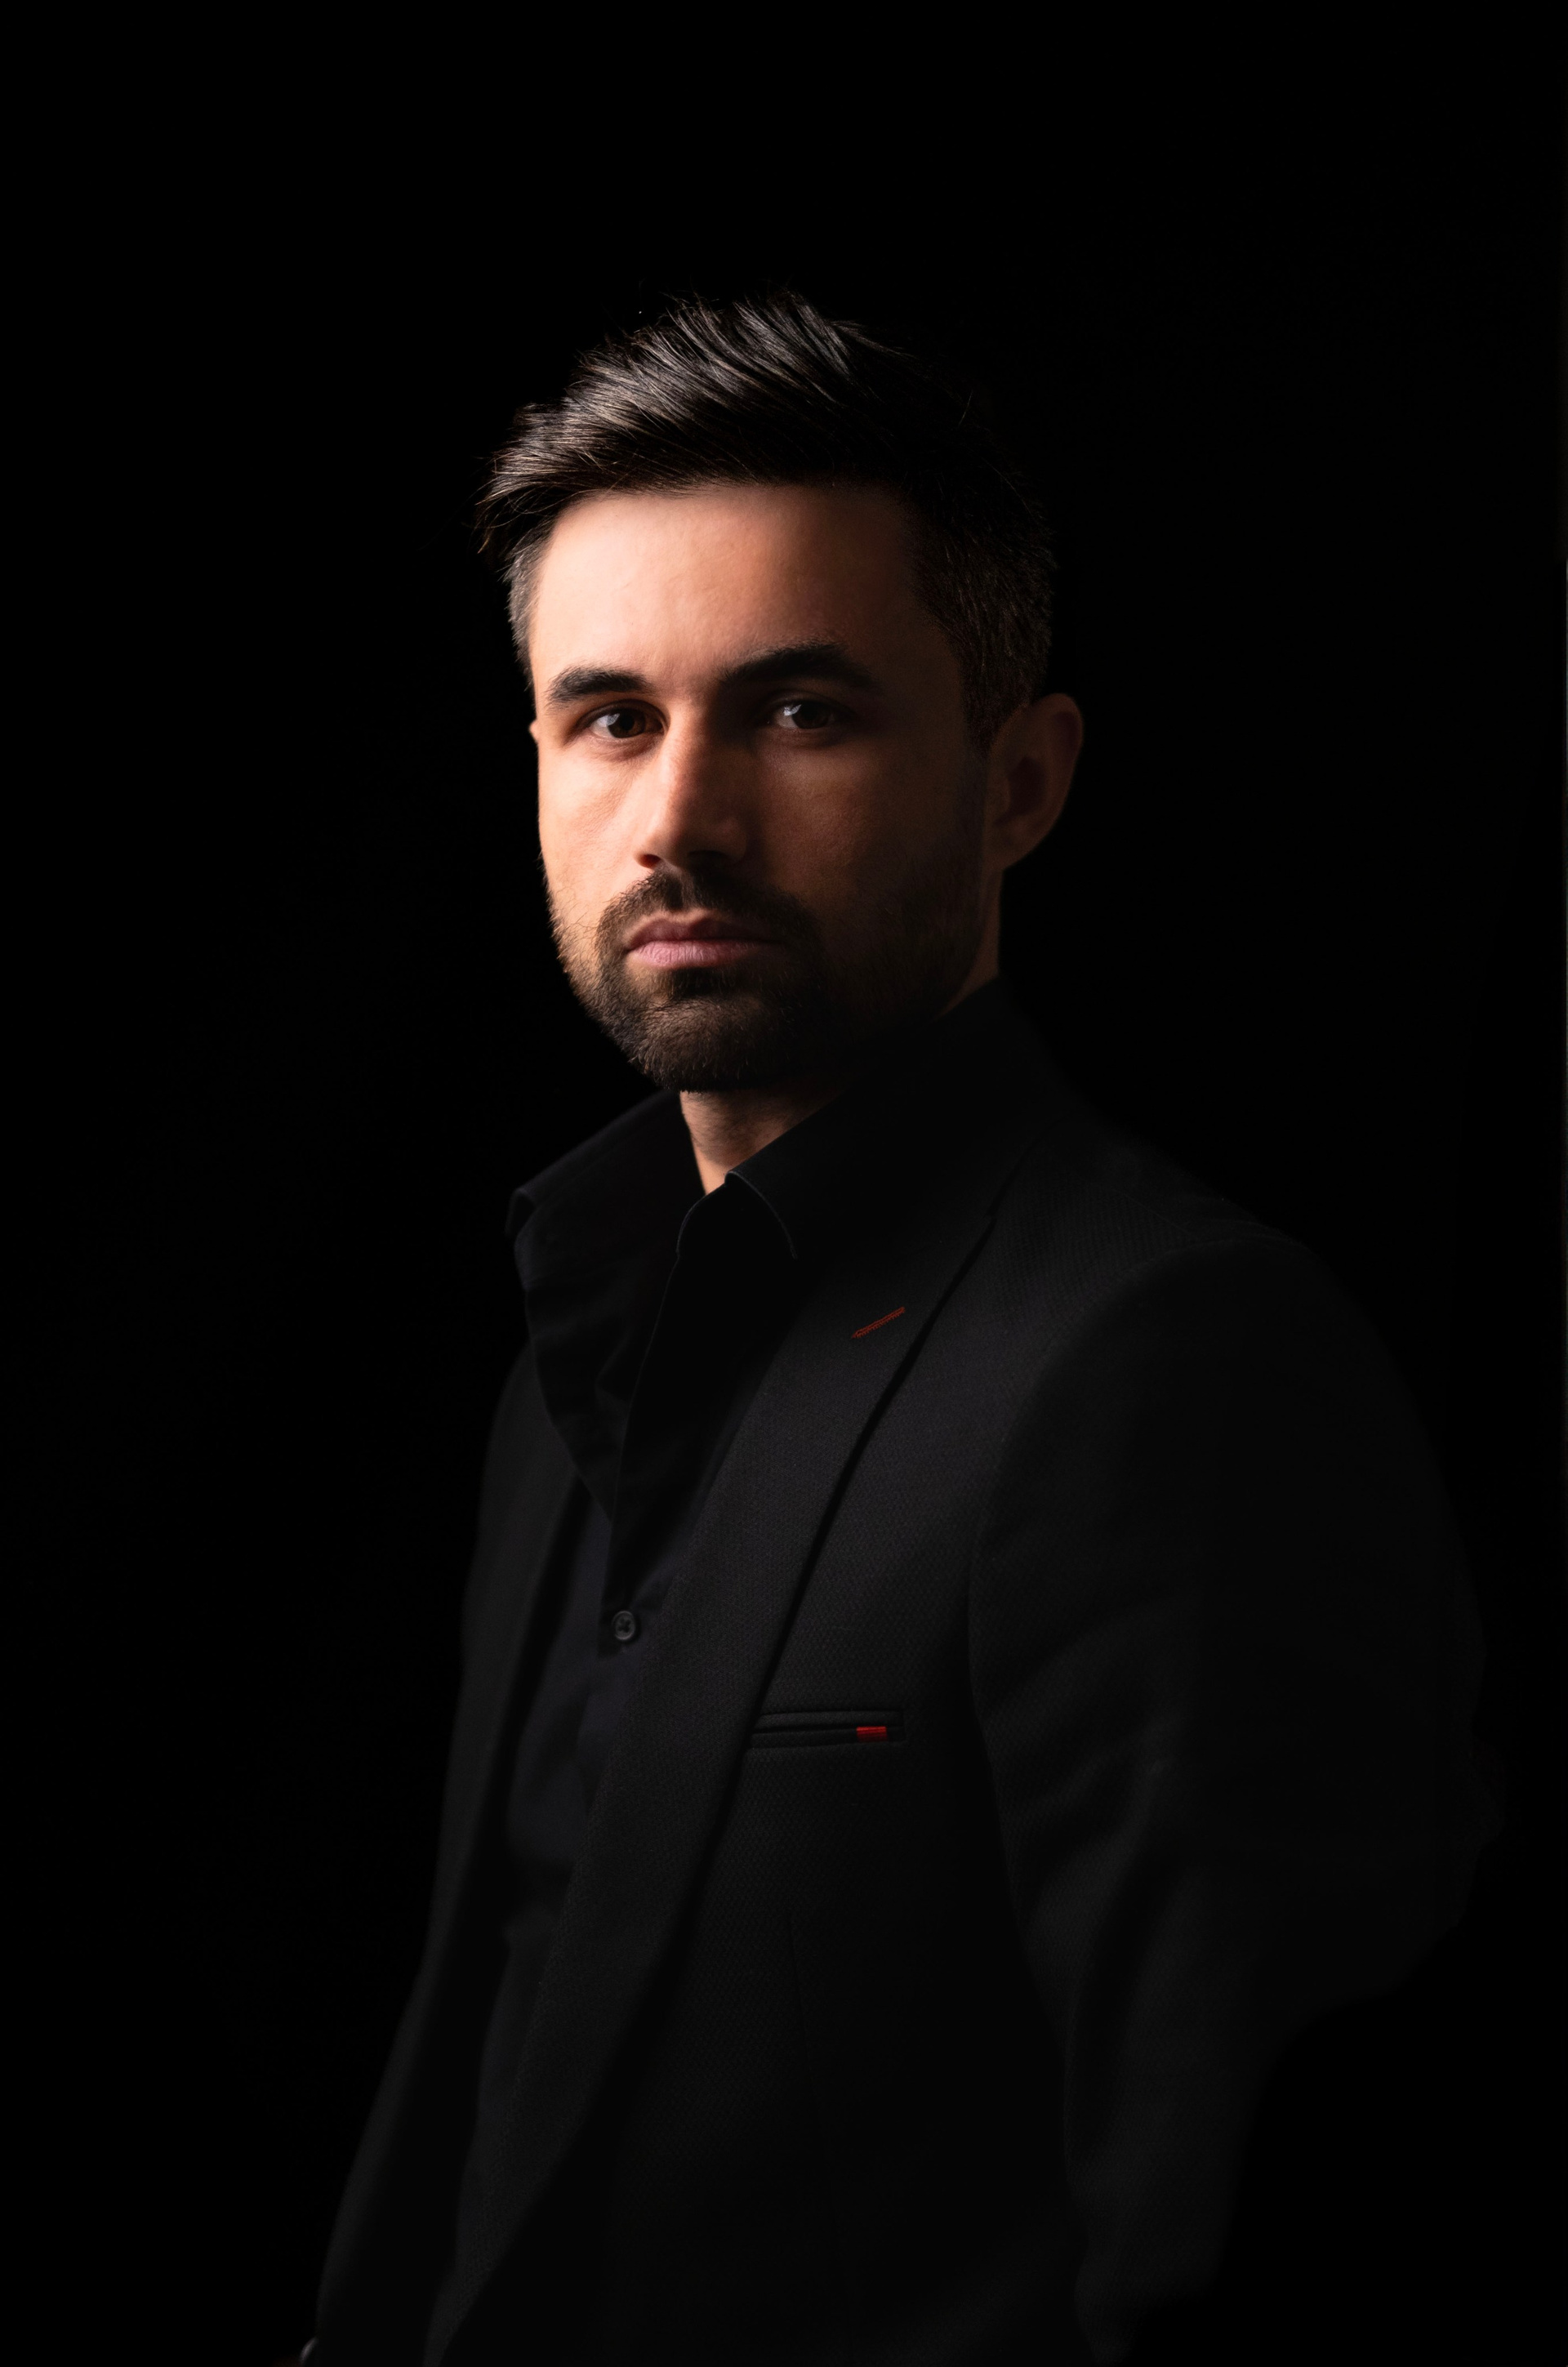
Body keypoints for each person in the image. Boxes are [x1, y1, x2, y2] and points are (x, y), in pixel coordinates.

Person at [307, 292, 1494, 2365]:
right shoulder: (565, 1360)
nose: (680, 818)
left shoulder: (1172, 1364)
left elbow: (1257, 2266)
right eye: (610, 719)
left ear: (1019, 781)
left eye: (798, 712)